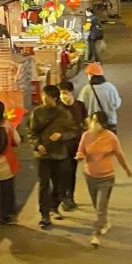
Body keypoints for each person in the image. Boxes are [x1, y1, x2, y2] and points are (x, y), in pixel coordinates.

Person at [76, 111, 132, 247]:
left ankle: (95, 234)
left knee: (101, 205)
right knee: (97, 204)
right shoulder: (86, 136)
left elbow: (119, 154)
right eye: (92, 120)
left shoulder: (111, 138)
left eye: (96, 122)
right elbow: (81, 150)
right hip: (90, 175)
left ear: (103, 124)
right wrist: (80, 156)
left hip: (106, 177)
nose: (93, 124)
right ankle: (104, 221)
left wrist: (127, 169)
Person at [27, 85, 76, 230]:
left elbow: (74, 131)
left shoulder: (64, 114)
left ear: (54, 98)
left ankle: (54, 206)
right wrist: (37, 144)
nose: (43, 99)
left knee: (59, 183)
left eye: (46, 97)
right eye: (43, 96)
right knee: (44, 184)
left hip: (59, 154)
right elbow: (31, 132)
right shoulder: (37, 113)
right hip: (42, 155)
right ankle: (44, 215)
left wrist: (62, 136)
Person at [58, 81, 88, 210]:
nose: (63, 96)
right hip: (61, 145)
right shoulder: (57, 107)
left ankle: (70, 196)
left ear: (71, 92)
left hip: (75, 145)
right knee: (63, 171)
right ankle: (63, 197)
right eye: (61, 93)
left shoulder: (80, 106)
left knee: (71, 171)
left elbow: (86, 124)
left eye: (65, 93)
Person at [78, 63, 122, 133]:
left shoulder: (86, 90)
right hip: (109, 122)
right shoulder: (110, 87)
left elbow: (80, 106)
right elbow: (116, 104)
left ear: (91, 75)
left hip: (93, 124)